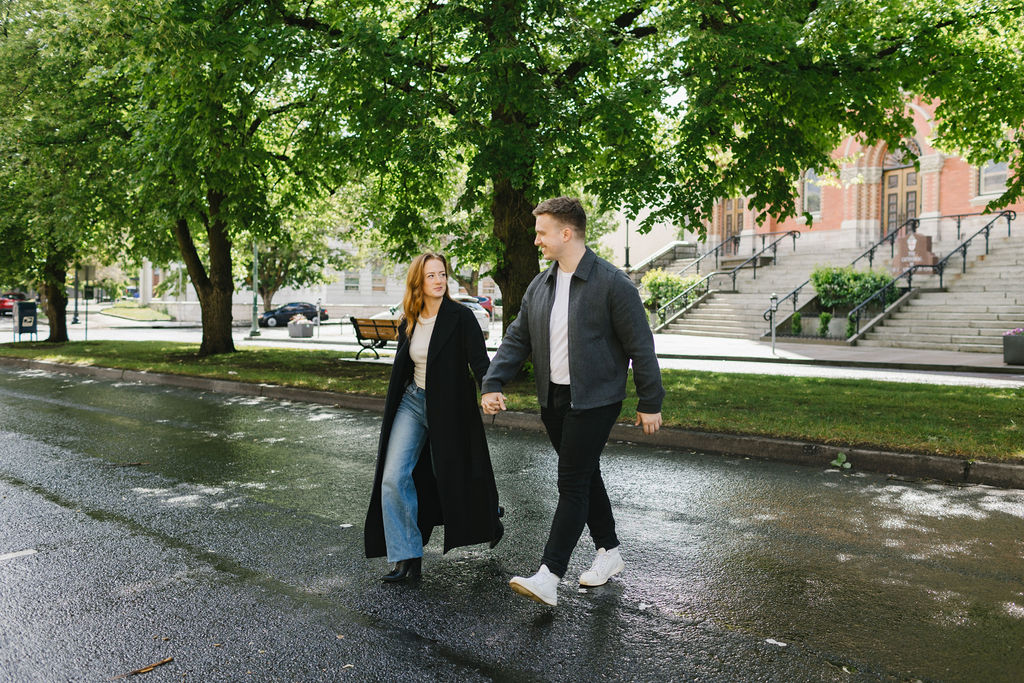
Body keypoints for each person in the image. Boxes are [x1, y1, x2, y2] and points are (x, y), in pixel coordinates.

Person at [481, 197, 664, 606]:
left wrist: (651, 399)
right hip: (554, 398)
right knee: (583, 475)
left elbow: (641, 346)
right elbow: (517, 338)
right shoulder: (540, 284)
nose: (536, 240)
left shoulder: (612, 283)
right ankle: (609, 552)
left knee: (571, 482)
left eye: (542, 232)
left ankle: (550, 574)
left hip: (595, 399)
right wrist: (493, 381)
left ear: (566, 233)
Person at [364, 253, 503, 582]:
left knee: (454, 477)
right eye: (431, 276)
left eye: (442, 274)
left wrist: (490, 390)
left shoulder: (461, 317)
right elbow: (405, 367)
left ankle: (489, 517)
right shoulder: (409, 318)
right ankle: (407, 557)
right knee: (393, 477)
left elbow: (480, 363)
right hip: (413, 402)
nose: (439, 281)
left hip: (450, 409)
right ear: (419, 282)